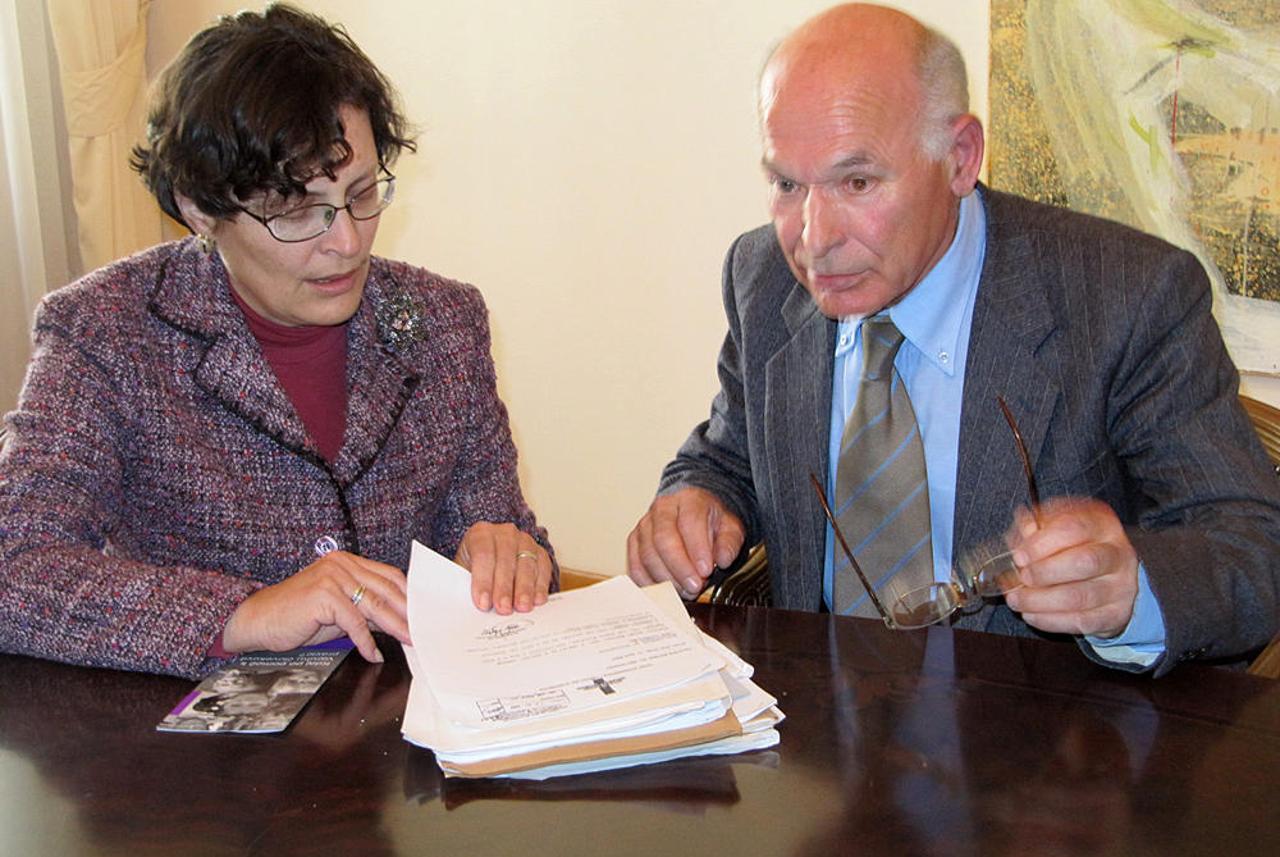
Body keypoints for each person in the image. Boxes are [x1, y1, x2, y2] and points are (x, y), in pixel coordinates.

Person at [627, 3, 1279, 675]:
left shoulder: (1126, 295)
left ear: (960, 158)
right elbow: (730, 456)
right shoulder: (761, 276)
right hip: (818, 713)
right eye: (787, 183)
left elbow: (1255, 545)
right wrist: (696, 500)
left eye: (857, 182)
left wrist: (1130, 589)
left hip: (1052, 724)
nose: (814, 239)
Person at [0, 5, 554, 679]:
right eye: (296, 211)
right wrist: (245, 614)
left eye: (362, 193)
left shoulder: (443, 321)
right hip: (192, 736)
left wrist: (509, 555)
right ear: (201, 208)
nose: (346, 241)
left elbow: (501, 537)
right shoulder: (105, 331)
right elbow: (15, 568)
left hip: (409, 720)